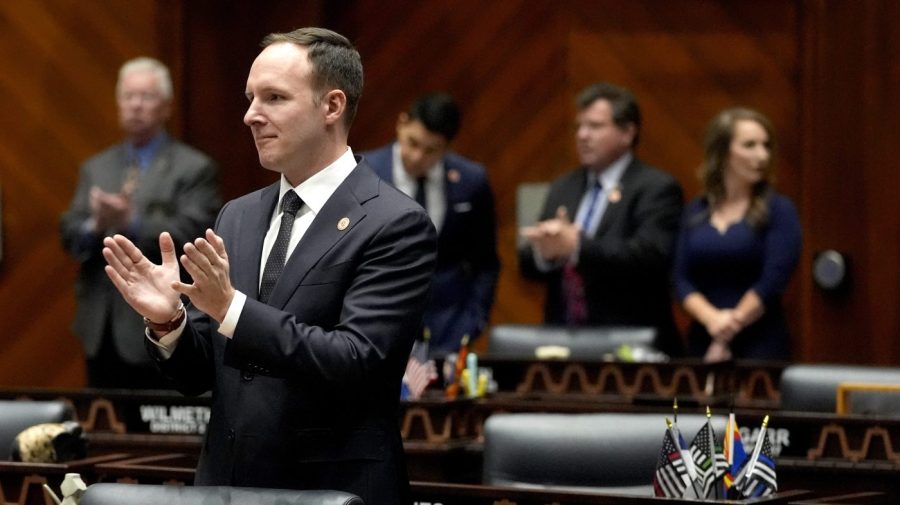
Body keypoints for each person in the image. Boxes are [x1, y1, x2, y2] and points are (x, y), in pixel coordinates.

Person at [101, 28, 437, 504]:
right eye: (250, 97)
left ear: (332, 106)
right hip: (229, 484)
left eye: (274, 98)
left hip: (334, 490)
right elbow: (202, 376)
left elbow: (356, 361)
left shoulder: (395, 222)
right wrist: (170, 322)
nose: (250, 115)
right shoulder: (237, 214)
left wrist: (233, 310)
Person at [60, 57, 221, 389]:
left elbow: (193, 233)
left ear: (166, 106)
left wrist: (130, 221)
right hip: (99, 326)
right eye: (128, 96)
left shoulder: (194, 168)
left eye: (146, 97)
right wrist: (96, 224)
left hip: (161, 322)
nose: (135, 105)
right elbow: (70, 232)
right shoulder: (97, 167)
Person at [519, 82, 684, 356]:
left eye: (595, 126)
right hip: (562, 342)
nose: (582, 135)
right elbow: (527, 263)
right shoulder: (563, 187)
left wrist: (577, 247)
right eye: (579, 127)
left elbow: (651, 255)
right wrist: (545, 253)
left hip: (630, 343)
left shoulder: (656, 187)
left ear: (628, 132)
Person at [363, 93, 499, 357]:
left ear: (447, 146)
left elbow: (485, 262)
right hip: (376, 328)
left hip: (448, 332)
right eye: (412, 143)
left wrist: (474, 320)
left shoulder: (471, 181)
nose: (416, 157)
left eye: (431, 150)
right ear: (401, 123)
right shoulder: (362, 172)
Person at [674, 107, 801, 362]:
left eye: (766, 146)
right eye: (750, 145)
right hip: (703, 338)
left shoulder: (779, 209)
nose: (762, 155)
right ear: (722, 152)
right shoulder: (695, 211)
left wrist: (726, 330)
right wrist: (712, 320)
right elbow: (680, 278)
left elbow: (773, 280)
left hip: (760, 342)